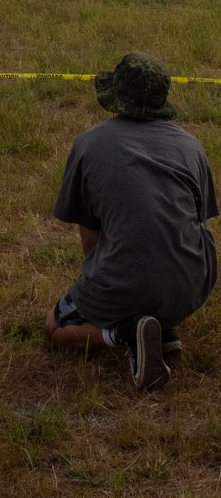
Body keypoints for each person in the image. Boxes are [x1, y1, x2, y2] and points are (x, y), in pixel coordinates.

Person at [45, 52, 218, 390]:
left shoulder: (88, 145)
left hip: (124, 284)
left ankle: (123, 332)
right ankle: (160, 327)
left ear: (118, 95)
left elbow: (89, 238)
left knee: (54, 328)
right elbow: (198, 220)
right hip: (193, 283)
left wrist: (103, 290)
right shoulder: (191, 146)